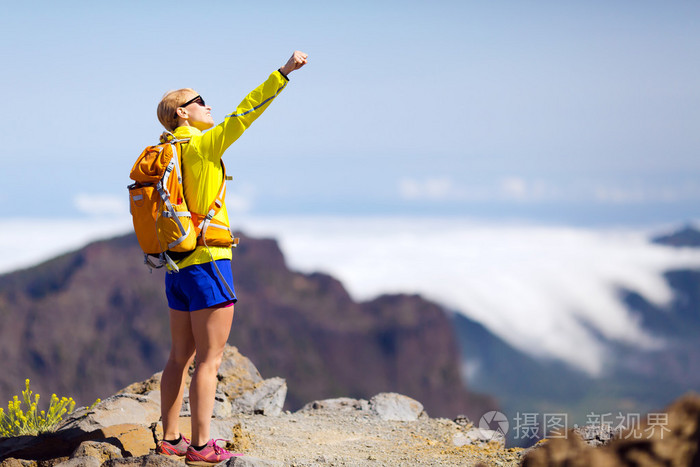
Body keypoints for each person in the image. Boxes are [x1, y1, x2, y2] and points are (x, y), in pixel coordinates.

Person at [154, 51, 308, 464]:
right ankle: (202, 445)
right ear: (182, 115)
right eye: (199, 101)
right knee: (210, 359)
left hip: (177, 265)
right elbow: (245, 114)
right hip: (208, 262)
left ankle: (171, 438)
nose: (208, 105)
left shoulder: (165, 151)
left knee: (177, 357)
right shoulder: (203, 147)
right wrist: (282, 75)